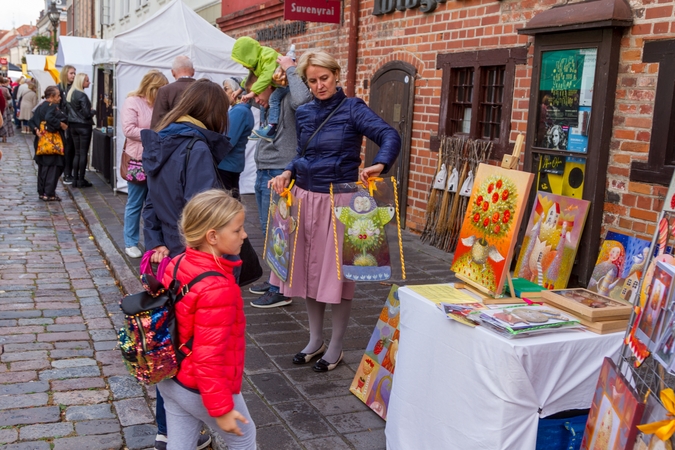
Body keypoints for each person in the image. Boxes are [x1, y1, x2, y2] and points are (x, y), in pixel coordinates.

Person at [270, 50, 400, 371]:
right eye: (312, 81)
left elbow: (388, 134)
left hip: (340, 201)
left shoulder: (353, 108)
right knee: (309, 275)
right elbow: (302, 154)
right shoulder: (303, 112)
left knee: (340, 279)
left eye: (324, 78)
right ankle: (315, 340)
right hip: (305, 199)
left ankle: (337, 346)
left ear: (336, 74)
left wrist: (381, 163)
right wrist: (289, 171)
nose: (319, 86)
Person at [141, 79, 230, 450]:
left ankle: (168, 431)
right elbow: (206, 216)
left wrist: (157, 246)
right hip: (194, 268)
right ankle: (192, 429)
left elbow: (149, 207)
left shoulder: (162, 141)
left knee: (169, 347)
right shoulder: (194, 147)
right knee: (197, 351)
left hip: (167, 262)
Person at [157, 189, 256, 450]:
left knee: (180, 443)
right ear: (212, 236)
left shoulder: (176, 263)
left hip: (171, 377)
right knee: (244, 438)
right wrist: (222, 410)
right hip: (198, 387)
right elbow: (209, 356)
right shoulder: (219, 288)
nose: (244, 235)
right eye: (237, 230)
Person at [248, 54, 313, 308]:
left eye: (257, 92)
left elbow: (303, 98)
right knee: (267, 229)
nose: (255, 98)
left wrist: (289, 68)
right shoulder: (269, 104)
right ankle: (274, 279)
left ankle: (281, 289)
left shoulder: (287, 99)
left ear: (270, 85)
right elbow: (253, 95)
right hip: (265, 169)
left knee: (279, 230)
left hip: (279, 170)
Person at [121, 70, 169, 259]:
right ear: (152, 88)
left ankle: (154, 242)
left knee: (156, 203)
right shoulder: (133, 102)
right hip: (138, 159)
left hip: (158, 159)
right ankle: (130, 242)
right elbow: (129, 129)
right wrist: (154, 135)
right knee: (135, 202)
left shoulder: (159, 104)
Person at [231, 36, 288, 142]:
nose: (243, 66)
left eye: (243, 61)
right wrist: (239, 90)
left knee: (274, 99)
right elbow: (248, 79)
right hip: (278, 84)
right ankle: (263, 128)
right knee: (263, 108)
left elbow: (266, 76)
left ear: (248, 54)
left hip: (285, 84)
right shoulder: (256, 64)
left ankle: (271, 128)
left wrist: (253, 93)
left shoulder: (267, 56)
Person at [28, 86, 67, 201]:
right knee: (53, 168)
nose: (60, 98)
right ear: (51, 97)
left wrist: (36, 129)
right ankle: (49, 193)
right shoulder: (52, 106)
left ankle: (42, 192)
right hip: (52, 143)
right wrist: (60, 124)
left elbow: (31, 121)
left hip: (41, 143)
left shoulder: (40, 106)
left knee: (43, 168)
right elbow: (49, 118)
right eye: (58, 96)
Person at [218, 78, 254, 198]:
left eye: (226, 89)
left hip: (227, 164)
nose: (223, 92)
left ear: (237, 91)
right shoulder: (240, 110)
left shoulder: (239, 111)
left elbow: (228, 140)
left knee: (227, 202)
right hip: (232, 163)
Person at [66, 73, 96, 188]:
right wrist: (93, 111)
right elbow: (87, 114)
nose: (89, 82)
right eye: (87, 81)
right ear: (81, 82)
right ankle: (81, 179)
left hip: (73, 125)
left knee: (77, 153)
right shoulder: (82, 95)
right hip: (83, 126)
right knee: (83, 153)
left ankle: (75, 179)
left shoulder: (71, 93)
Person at [150, 56, 195, 128]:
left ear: (173, 72)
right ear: (193, 71)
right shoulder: (207, 90)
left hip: (173, 137)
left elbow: (157, 124)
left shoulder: (165, 91)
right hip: (202, 137)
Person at [59, 65, 77, 184]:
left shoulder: (74, 88)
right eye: (71, 73)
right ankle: (66, 173)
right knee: (67, 149)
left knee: (72, 148)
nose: (73, 75)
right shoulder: (60, 88)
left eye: (74, 73)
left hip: (72, 122)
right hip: (64, 123)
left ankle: (71, 173)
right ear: (66, 74)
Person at [0, 77, 15, 143]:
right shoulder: (5, 89)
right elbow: (9, 97)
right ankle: (4, 137)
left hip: (3, 106)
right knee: (4, 122)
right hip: (4, 107)